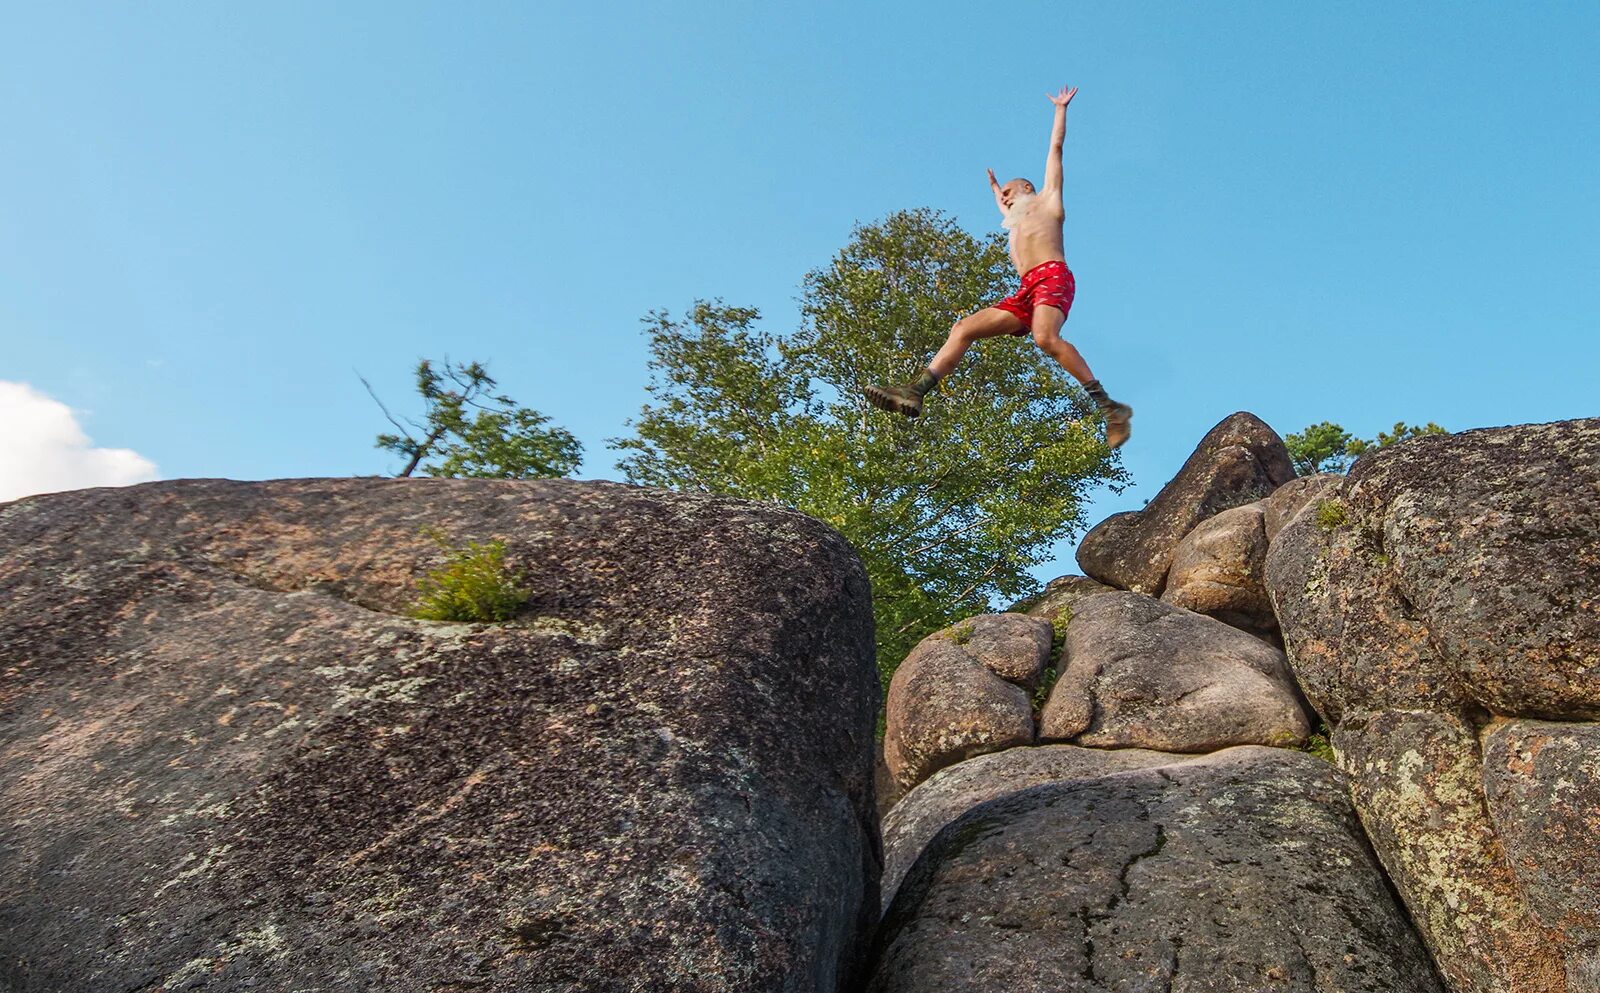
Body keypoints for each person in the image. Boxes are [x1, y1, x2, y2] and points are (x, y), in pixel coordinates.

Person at [864, 85, 1133, 449]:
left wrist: (1060, 110)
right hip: (1026, 289)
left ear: (1026, 188)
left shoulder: (1048, 202)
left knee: (1045, 338)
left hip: (1053, 274)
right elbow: (1004, 206)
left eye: (1009, 191)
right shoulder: (1016, 218)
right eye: (1001, 197)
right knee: (964, 328)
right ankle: (916, 391)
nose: (1004, 199)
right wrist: (995, 188)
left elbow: (1056, 150)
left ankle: (1111, 409)